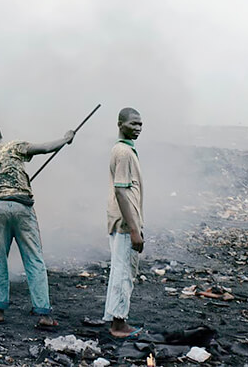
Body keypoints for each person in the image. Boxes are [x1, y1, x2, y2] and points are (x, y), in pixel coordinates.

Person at [0, 123, 75, 330]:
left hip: (0, 209)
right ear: (0, 136)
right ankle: (44, 314)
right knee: (34, 259)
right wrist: (65, 138)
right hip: (23, 208)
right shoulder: (13, 146)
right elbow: (44, 148)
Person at [103, 107, 144, 339]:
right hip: (125, 222)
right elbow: (121, 191)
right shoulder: (125, 153)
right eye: (133, 124)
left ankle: (114, 318)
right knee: (124, 271)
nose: (138, 128)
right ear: (120, 124)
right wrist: (135, 228)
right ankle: (119, 324)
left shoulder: (121, 150)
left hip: (119, 219)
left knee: (119, 269)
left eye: (140, 125)